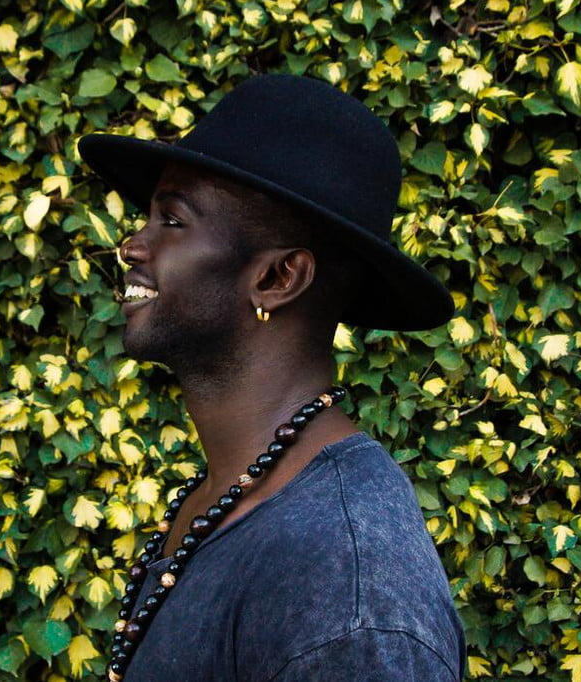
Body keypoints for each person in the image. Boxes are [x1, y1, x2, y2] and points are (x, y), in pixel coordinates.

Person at [78, 74, 465, 682]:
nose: (132, 246)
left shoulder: (346, 590)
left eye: (173, 221)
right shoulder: (229, 495)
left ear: (278, 278)